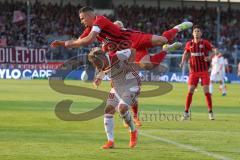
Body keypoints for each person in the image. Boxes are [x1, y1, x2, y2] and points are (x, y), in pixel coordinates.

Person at [51, 6, 192, 69]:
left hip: (133, 38)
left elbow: (86, 40)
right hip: (129, 48)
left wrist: (66, 44)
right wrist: (63, 43)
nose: (81, 21)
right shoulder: (89, 28)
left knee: (163, 39)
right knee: (147, 66)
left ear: (89, 15)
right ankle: (166, 50)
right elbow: (78, 41)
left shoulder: (99, 20)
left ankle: (178, 28)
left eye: (82, 18)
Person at [88, 47, 140, 149]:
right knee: (108, 110)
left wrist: (130, 65)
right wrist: (98, 78)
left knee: (122, 108)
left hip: (131, 85)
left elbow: (133, 50)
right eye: (95, 64)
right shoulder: (101, 64)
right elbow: (103, 70)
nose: (96, 65)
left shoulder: (117, 56)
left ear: (102, 57)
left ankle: (133, 131)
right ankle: (110, 141)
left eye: (96, 63)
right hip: (117, 87)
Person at [180, 25, 215, 120]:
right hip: (193, 72)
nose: (196, 32)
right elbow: (186, 53)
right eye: (195, 31)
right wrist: (182, 62)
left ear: (201, 33)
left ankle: (210, 112)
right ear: (192, 34)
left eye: (198, 31)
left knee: (206, 91)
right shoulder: (189, 44)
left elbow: (214, 51)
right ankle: (186, 112)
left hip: (204, 71)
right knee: (190, 90)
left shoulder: (205, 43)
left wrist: (209, 57)